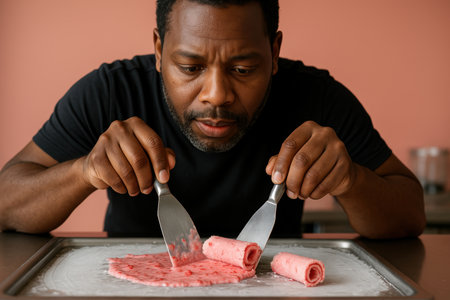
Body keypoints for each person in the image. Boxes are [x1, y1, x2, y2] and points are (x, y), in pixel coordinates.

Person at [0, 0, 425, 239]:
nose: (217, 94)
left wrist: (351, 180)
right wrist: (83, 171)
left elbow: (411, 214)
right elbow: (6, 202)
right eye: (189, 67)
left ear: (274, 53)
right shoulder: (110, 91)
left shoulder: (315, 96)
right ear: (159, 50)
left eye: (243, 69)